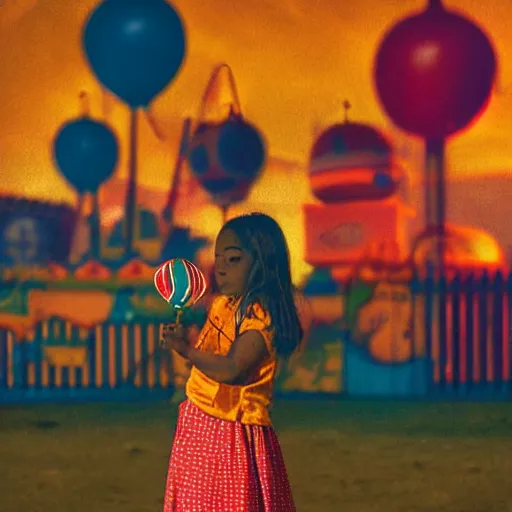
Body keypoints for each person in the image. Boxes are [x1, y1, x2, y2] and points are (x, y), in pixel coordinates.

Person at [160, 212, 304, 512]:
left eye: (234, 259)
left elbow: (232, 369)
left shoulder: (261, 317)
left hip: (231, 435)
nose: (221, 268)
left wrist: (187, 351)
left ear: (263, 264)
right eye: (219, 258)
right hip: (199, 424)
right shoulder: (223, 304)